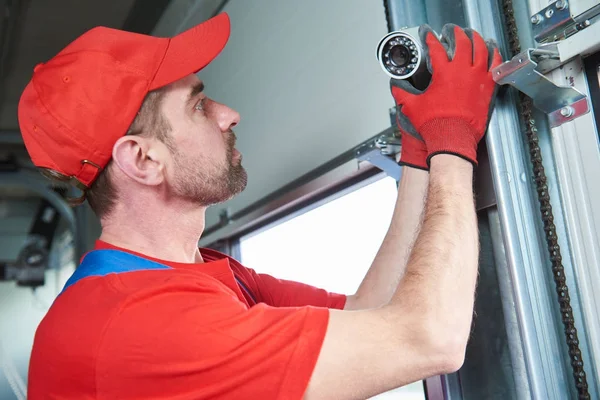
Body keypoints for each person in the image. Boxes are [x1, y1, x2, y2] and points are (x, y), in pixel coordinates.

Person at [19, 12, 501, 400]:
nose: (229, 115)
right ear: (142, 160)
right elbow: (429, 338)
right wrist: (452, 136)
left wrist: (420, 151)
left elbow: (368, 312)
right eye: (198, 106)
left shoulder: (201, 274)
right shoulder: (137, 324)